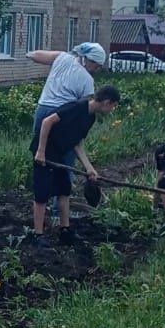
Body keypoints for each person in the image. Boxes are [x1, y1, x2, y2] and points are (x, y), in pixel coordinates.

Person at [31, 86, 121, 238]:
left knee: (64, 189)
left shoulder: (90, 117)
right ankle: (37, 235)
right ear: (106, 102)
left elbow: (77, 143)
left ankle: (65, 230)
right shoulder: (77, 107)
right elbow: (47, 121)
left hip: (59, 154)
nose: (112, 109)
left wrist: (89, 168)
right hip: (44, 152)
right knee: (42, 193)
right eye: (114, 106)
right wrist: (40, 151)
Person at [27, 40, 107, 154]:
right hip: (61, 115)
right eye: (97, 66)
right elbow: (81, 108)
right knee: (63, 152)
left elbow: (35, 56)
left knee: (39, 149)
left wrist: (28, 54)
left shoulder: (62, 57)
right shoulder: (88, 80)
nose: (97, 69)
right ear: (90, 60)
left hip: (42, 110)